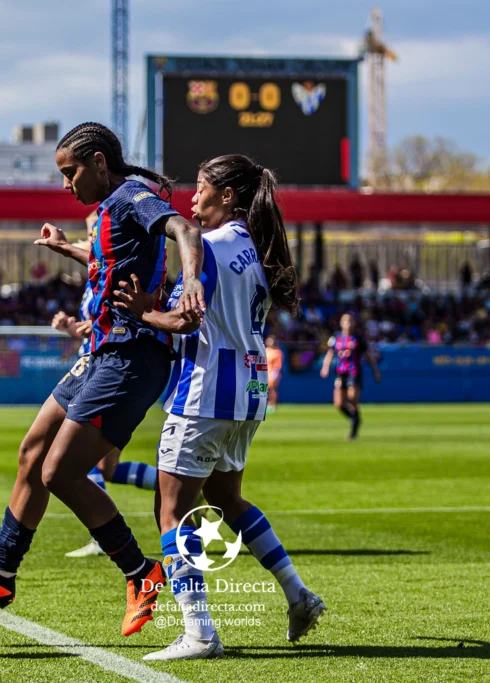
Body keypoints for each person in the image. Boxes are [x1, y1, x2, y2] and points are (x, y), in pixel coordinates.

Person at [0, 122, 206, 639]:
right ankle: (0, 573)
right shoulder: (111, 210)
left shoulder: (134, 197)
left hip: (131, 356)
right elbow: (109, 261)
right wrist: (68, 249)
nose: (66, 184)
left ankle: (142, 574)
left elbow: (185, 230)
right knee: (31, 453)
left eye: (71, 172)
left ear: (100, 162)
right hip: (100, 353)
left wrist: (191, 277)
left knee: (59, 472)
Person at [113, 154, 324, 661]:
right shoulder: (255, 247)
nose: (192, 198)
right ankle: (299, 595)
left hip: (205, 390)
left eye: (201, 188)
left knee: (172, 510)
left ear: (227, 196)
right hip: (248, 391)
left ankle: (200, 634)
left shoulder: (204, 247)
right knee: (229, 500)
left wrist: (145, 312)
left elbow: (185, 321)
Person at [50, 307, 158, 559]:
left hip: (110, 376)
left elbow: (125, 324)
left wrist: (97, 324)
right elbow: (94, 332)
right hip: (100, 372)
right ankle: (188, 489)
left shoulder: (114, 273)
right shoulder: (96, 278)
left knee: (77, 461)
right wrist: (71, 327)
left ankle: (101, 537)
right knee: (107, 468)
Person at [320, 313, 382, 440]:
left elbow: (368, 356)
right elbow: (330, 353)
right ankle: (356, 419)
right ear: (341, 323)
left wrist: (375, 371)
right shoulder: (336, 338)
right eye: (345, 320)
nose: (348, 323)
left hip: (354, 372)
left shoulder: (358, 339)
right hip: (340, 372)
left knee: (352, 398)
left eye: (350, 321)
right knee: (339, 403)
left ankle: (354, 429)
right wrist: (325, 367)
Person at [264, 335, 284, 414]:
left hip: (272, 373)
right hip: (264, 373)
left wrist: (275, 374)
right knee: (264, 390)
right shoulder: (265, 350)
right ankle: (267, 404)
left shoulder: (277, 352)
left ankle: (273, 404)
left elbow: (278, 365)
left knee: (272, 389)